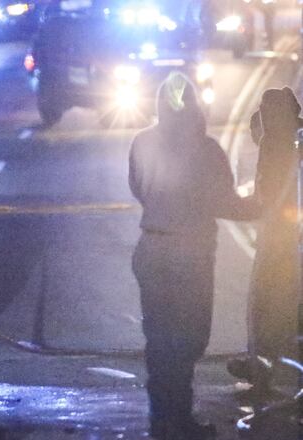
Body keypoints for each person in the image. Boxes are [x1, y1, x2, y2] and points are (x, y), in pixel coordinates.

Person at [129, 72, 260, 440]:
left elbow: (138, 188)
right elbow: (224, 202)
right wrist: (263, 206)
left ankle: (162, 418)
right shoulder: (207, 150)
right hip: (191, 255)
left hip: (151, 248)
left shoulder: (141, 142)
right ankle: (180, 419)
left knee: (159, 338)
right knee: (189, 338)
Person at [245, 87, 302, 391]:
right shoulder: (285, 140)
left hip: (278, 236)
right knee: (277, 300)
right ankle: (266, 359)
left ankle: (265, 360)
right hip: (281, 234)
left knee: (269, 299)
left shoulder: (280, 144)